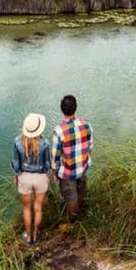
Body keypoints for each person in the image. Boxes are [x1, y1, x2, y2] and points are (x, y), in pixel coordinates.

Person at [51, 95, 93, 223]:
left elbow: (55, 156)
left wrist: (55, 172)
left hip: (68, 172)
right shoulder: (87, 125)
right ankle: (80, 215)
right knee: (80, 192)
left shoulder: (59, 131)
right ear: (75, 108)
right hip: (83, 166)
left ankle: (73, 223)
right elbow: (90, 146)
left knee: (71, 198)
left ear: (62, 110)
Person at [12, 113, 51, 244]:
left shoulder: (17, 142)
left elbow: (16, 164)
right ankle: (36, 235)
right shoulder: (44, 143)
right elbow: (47, 165)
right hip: (40, 177)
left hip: (24, 178)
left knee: (26, 208)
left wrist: (17, 175)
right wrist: (46, 174)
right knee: (38, 207)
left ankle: (29, 238)